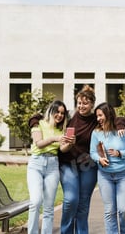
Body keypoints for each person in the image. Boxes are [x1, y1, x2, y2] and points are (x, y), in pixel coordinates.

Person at [29, 85, 125, 234]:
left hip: (88, 165)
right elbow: (39, 116)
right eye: (79, 103)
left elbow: (116, 118)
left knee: (83, 203)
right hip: (68, 165)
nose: (81, 106)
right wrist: (34, 123)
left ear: (92, 104)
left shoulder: (96, 119)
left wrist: (121, 124)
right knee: (70, 200)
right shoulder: (69, 117)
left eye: (85, 103)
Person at [27, 100, 74, 234]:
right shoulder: (38, 124)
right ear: (51, 111)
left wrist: (70, 143)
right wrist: (55, 138)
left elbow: (63, 149)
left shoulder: (62, 130)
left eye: (62, 113)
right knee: (35, 201)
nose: (59, 115)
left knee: (48, 207)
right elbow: (39, 143)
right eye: (57, 112)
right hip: (36, 164)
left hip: (53, 166)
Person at [90, 102, 125, 234]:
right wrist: (99, 159)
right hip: (105, 175)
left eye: (100, 115)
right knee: (109, 211)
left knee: (124, 210)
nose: (98, 119)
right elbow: (92, 152)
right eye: (97, 116)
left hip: (124, 174)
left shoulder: (124, 130)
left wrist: (120, 153)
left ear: (108, 114)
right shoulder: (96, 132)